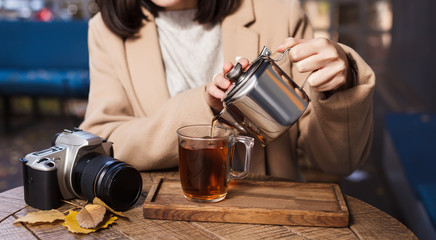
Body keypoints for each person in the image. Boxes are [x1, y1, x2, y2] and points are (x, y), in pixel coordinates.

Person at [80, 0, 375, 180]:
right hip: (158, 217)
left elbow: (340, 162)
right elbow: (104, 143)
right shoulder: (106, 31)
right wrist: (205, 109)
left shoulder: (280, 13)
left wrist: (341, 86)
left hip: (269, 219)